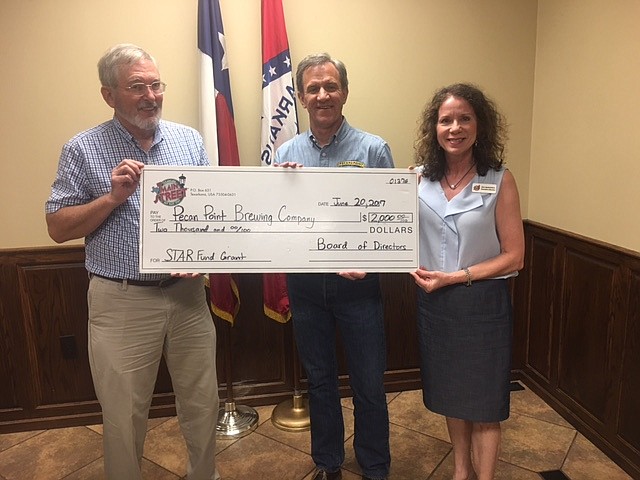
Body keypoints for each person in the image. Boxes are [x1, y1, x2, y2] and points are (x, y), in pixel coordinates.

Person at [45, 44, 220, 480]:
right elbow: (57, 226)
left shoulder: (188, 140)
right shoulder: (82, 148)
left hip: (187, 298)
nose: (151, 95)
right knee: (123, 416)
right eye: (136, 86)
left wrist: (202, 256)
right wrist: (110, 198)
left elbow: (207, 211)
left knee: (202, 405)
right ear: (109, 95)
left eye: (156, 84)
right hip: (121, 302)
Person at [274, 53, 392, 480]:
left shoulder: (373, 149)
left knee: (369, 386)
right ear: (302, 98)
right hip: (306, 290)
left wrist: (371, 260)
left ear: (344, 91)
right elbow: (272, 223)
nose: (322, 95)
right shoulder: (285, 153)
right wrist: (279, 190)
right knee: (320, 383)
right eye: (313, 88)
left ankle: (376, 465)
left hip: (358, 291)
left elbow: (390, 223)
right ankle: (328, 464)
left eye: (330, 86)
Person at [410, 83, 524, 480]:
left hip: (482, 305)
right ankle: (461, 471)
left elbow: (515, 255)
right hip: (435, 306)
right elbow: (380, 224)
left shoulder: (500, 179)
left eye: (464, 118)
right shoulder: (417, 180)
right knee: (453, 397)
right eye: (446, 120)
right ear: (434, 128)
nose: (454, 127)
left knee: (486, 403)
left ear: (479, 125)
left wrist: (456, 277)